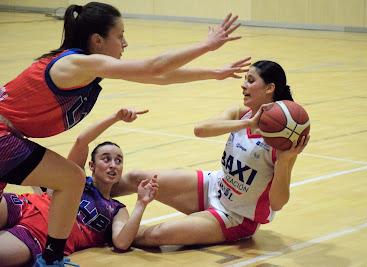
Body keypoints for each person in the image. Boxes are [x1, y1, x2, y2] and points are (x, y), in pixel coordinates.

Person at [0, 2, 248, 265]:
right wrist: (206, 45)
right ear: (98, 40)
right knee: (72, 178)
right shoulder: (73, 64)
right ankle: (52, 259)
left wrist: (214, 73)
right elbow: (154, 67)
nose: (125, 43)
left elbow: (159, 77)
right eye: (119, 36)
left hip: (10, 138)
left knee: (69, 179)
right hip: (4, 135)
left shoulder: (85, 68)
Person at [111, 60, 310, 246]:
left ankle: (104, 230)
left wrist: (285, 161)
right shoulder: (241, 114)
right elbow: (200, 129)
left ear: (270, 88)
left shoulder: (280, 141)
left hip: (236, 215)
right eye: (244, 79)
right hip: (214, 185)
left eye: (250, 80)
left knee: (157, 234)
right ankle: (89, 197)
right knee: (136, 177)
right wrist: (248, 123)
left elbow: (277, 203)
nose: (243, 85)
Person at [0, 107, 159, 266]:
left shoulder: (116, 209)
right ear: (92, 165)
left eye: (118, 161)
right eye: (106, 159)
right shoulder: (76, 179)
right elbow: (82, 140)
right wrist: (115, 117)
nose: (113, 165)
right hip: (24, 205)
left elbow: (122, 242)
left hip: (42, 234)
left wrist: (141, 203)